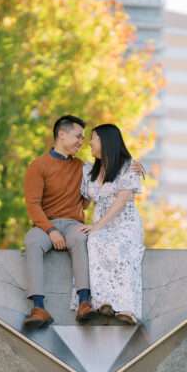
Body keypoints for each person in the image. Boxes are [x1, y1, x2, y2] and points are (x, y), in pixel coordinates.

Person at [23, 115, 143, 328]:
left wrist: (135, 164)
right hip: (45, 225)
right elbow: (32, 205)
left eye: (86, 138)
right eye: (78, 137)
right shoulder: (38, 165)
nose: (82, 142)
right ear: (61, 134)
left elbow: (107, 174)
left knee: (82, 239)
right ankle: (38, 307)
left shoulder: (82, 167)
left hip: (73, 224)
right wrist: (50, 230)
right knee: (32, 242)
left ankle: (85, 303)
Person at [78, 124, 144, 325]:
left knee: (119, 246)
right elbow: (84, 201)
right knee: (95, 242)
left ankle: (127, 308)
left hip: (125, 222)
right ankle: (103, 302)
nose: (90, 142)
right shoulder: (89, 170)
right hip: (100, 223)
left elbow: (122, 200)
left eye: (94, 138)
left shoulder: (128, 166)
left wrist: (98, 225)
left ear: (106, 142)